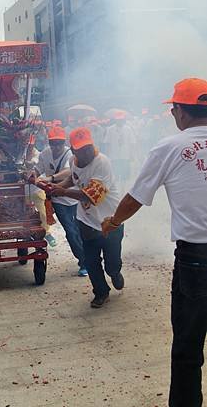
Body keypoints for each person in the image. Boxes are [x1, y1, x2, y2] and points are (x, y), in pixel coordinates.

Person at [102, 78, 207, 406]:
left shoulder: (170, 147)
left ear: (181, 111)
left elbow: (135, 197)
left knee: (188, 348)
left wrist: (114, 220)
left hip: (196, 259)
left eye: (173, 108)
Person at [49, 127, 124, 308]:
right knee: (90, 260)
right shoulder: (73, 161)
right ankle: (101, 292)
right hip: (86, 220)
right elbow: (73, 179)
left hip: (110, 219)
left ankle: (114, 272)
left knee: (111, 260)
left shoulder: (102, 162)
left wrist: (64, 192)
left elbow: (92, 196)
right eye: (80, 149)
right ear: (73, 150)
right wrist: (57, 186)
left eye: (88, 147)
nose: (85, 151)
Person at [33, 126, 87, 276]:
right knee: (70, 231)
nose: (56, 146)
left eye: (59, 143)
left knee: (79, 229)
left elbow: (68, 172)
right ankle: (83, 261)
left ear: (64, 142)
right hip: (58, 200)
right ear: (49, 142)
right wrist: (33, 175)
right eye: (53, 143)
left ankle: (88, 257)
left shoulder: (70, 153)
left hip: (74, 196)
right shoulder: (45, 153)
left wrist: (51, 178)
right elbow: (38, 169)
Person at [103, 113, 136, 188]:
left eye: (121, 120)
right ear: (115, 120)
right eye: (118, 120)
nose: (120, 121)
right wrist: (107, 156)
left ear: (124, 120)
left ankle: (123, 191)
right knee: (115, 176)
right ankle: (116, 191)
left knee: (125, 177)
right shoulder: (110, 129)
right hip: (114, 156)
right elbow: (107, 143)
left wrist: (132, 154)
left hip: (125, 156)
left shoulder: (128, 129)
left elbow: (132, 143)